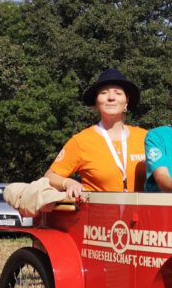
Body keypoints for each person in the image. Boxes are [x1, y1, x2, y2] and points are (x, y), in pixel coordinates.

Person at [45, 68, 147, 198]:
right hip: (99, 214)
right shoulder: (81, 141)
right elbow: (49, 177)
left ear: (126, 102)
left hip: (139, 215)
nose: (111, 98)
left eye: (118, 93)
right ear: (96, 104)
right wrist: (68, 183)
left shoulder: (145, 137)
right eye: (104, 93)